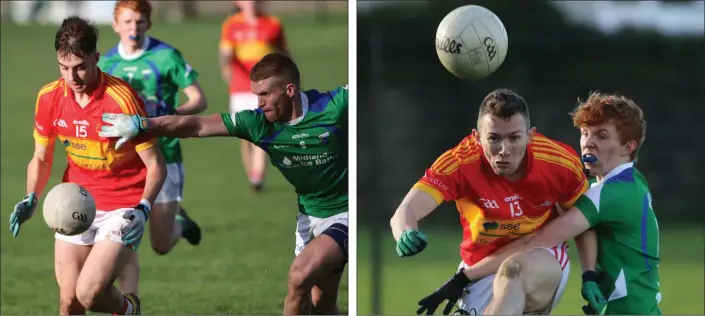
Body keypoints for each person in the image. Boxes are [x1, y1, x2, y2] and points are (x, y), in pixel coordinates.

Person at [99, 53, 348, 315]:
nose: (259, 103)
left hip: (346, 213)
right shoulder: (258, 123)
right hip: (309, 216)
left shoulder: (334, 106)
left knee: (299, 276)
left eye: (264, 94)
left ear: (289, 89)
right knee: (322, 303)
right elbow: (196, 125)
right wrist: (142, 124)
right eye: (255, 95)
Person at [7, 16, 167, 315]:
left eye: (80, 66)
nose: (72, 76)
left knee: (90, 294)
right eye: (64, 67)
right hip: (75, 202)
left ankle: (129, 310)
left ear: (96, 57)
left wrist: (143, 209)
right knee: (69, 302)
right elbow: (41, 158)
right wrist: (31, 197)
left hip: (123, 206)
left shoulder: (121, 99)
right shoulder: (49, 97)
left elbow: (157, 164)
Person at [390, 89, 596, 315]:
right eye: (494, 138)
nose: (504, 150)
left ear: (531, 135)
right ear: (477, 137)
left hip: (542, 255)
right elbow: (406, 209)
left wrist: (589, 276)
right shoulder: (459, 162)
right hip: (479, 267)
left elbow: (582, 221)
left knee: (513, 271)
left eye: (514, 137)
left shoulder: (560, 162)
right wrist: (406, 233)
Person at [460, 92, 661, 315]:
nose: (589, 143)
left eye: (601, 136)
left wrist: (464, 277)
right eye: (585, 133)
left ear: (628, 147)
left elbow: (536, 241)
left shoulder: (610, 193)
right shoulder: (628, 183)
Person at [97, 0, 206, 295]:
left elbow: (199, 100)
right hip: (124, 160)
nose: (134, 28)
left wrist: (168, 121)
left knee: (160, 244)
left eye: (140, 22)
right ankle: (126, 300)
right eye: (128, 22)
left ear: (149, 24)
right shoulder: (106, 65)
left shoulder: (166, 56)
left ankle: (180, 224)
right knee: (119, 233)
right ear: (116, 25)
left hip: (165, 154)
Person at [220, 0, 289, 192]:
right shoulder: (231, 24)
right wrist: (226, 66)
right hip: (240, 87)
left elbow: (284, 53)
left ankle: (258, 177)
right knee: (244, 134)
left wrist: (291, 76)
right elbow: (226, 52)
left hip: (266, 86)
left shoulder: (273, 23)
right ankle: (252, 174)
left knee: (261, 130)